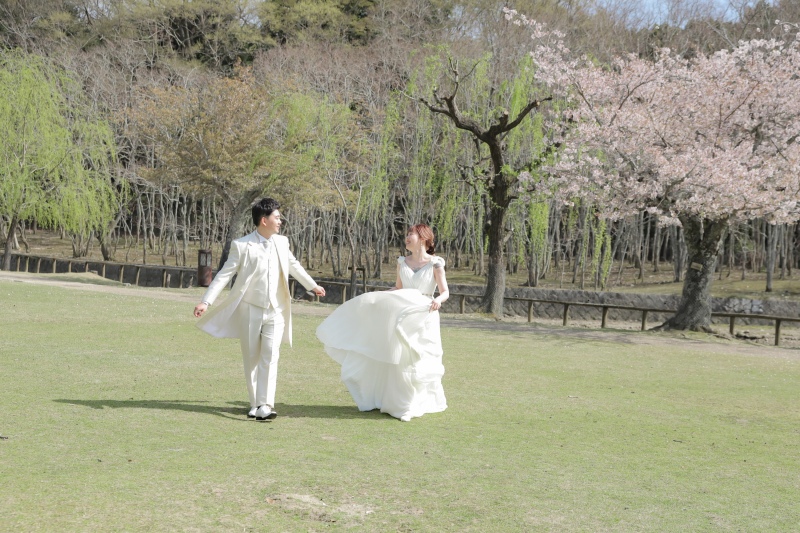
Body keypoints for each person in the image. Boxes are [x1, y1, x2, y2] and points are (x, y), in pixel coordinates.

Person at [193, 198, 326, 421]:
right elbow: (225, 274)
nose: (280, 221)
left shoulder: (282, 242)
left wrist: (312, 285)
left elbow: (293, 265)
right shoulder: (242, 245)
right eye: (277, 217)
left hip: (276, 309)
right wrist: (206, 301)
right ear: (263, 220)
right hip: (250, 308)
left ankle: (266, 404)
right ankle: (254, 403)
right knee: (251, 357)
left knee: (271, 355)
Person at [316, 223, 449, 422]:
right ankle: (398, 403)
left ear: (423, 237)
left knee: (417, 359)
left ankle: (414, 402)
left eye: (410, 234)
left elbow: (445, 291)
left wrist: (437, 300)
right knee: (398, 357)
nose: (406, 237)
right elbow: (398, 288)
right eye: (407, 234)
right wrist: (374, 297)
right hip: (402, 314)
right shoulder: (402, 262)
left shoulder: (435, 264)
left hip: (423, 315)